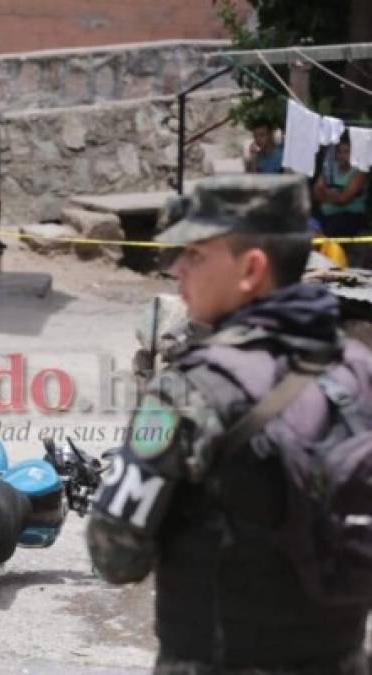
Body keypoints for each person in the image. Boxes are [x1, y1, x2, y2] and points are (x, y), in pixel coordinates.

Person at [86, 175, 372, 674]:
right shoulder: (360, 370)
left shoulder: (186, 391)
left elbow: (115, 555)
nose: (177, 270)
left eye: (195, 254)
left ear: (251, 268)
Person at [314, 134, 369, 268]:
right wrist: (333, 194)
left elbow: (344, 199)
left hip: (350, 216)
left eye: (346, 152)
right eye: (339, 152)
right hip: (326, 213)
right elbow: (316, 193)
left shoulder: (360, 171)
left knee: (330, 231)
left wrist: (326, 193)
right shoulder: (330, 167)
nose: (342, 155)